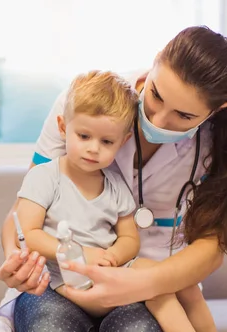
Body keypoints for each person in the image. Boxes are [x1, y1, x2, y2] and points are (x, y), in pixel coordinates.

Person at [0, 25, 227, 332]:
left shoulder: (219, 143)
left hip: (145, 279)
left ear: (215, 112)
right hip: (58, 278)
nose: (158, 117)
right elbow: (23, 216)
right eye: (155, 94)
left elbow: (210, 247)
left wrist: (141, 282)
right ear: (154, 63)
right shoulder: (88, 102)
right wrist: (18, 260)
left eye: (183, 116)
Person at [15, 69, 140, 314]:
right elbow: (28, 234)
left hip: (107, 277)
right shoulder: (44, 177)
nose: (93, 149)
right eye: (84, 136)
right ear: (62, 127)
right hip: (60, 283)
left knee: (156, 278)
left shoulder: (116, 185)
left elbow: (130, 239)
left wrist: (112, 255)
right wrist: (82, 255)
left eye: (107, 142)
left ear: (123, 142)